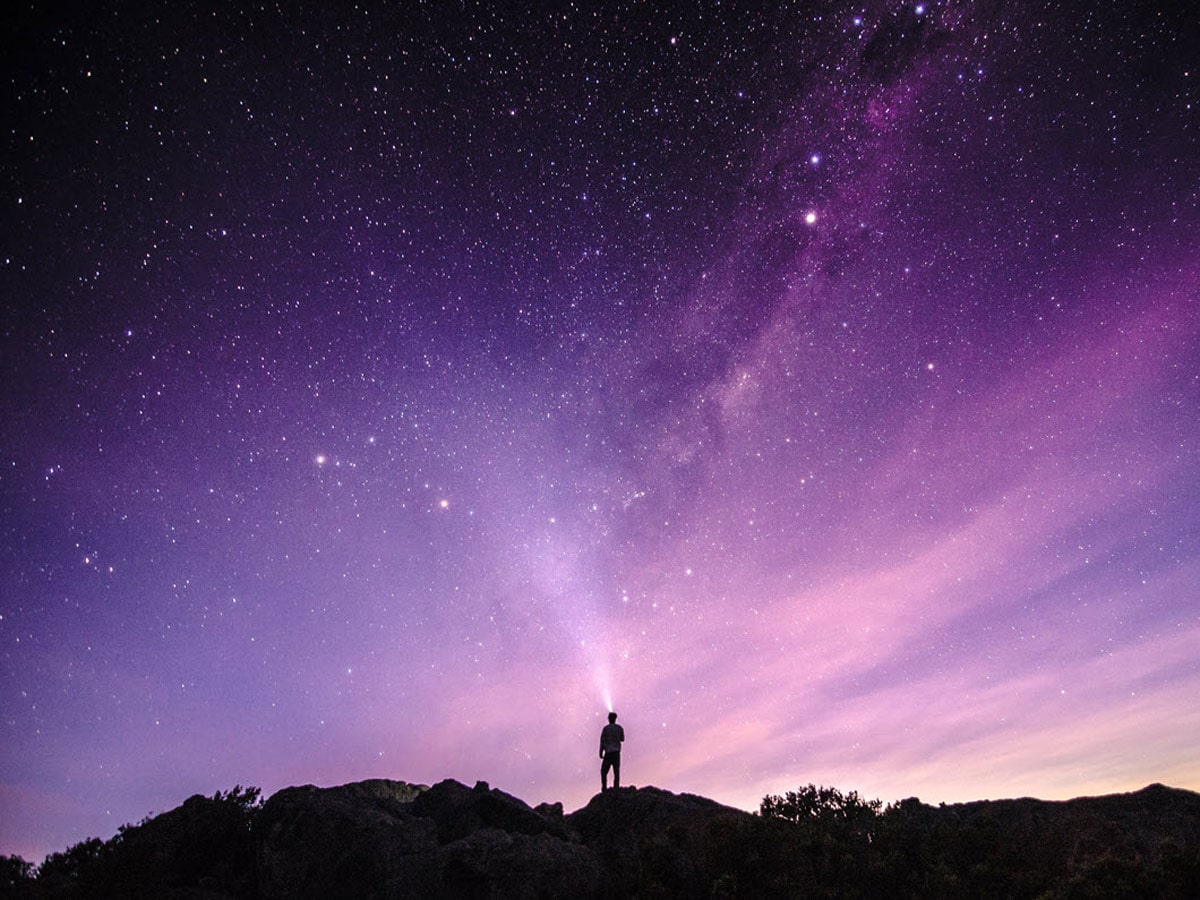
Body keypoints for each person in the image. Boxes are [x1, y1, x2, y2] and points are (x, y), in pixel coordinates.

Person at [599, 711, 624, 791]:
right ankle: (616, 788)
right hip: (616, 752)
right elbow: (622, 739)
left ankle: (604, 788)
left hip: (608, 752)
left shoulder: (606, 729)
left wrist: (601, 752)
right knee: (616, 772)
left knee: (604, 771)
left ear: (609, 719)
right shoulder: (619, 728)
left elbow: (602, 741)